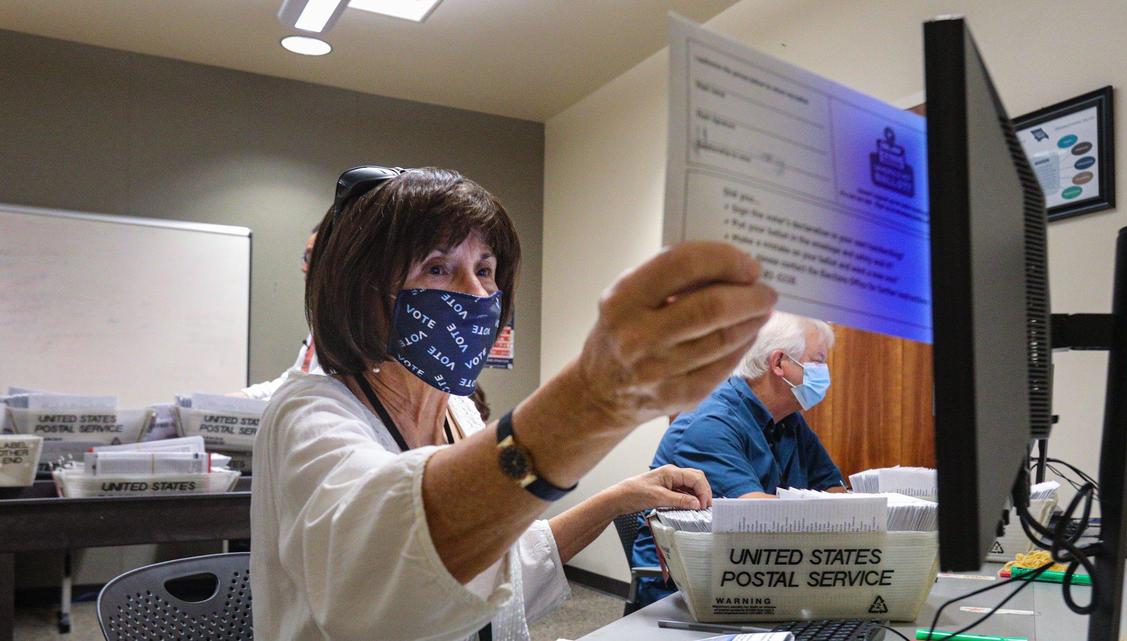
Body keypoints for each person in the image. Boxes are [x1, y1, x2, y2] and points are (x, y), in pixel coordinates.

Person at [251, 166, 777, 641]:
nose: (478, 294)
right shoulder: (309, 413)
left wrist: (619, 498)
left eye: (485, 270)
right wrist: (593, 398)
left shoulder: (459, 410)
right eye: (437, 269)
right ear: (363, 291)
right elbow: (384, 583)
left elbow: (497, 570)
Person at [629, 311, 845, 605]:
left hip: (757, 574)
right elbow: (756, 514)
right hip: (684, 593)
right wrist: (837, 513)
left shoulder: (789, 420)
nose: (825, 372)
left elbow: (834, 490)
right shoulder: (710, 423)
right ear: (779, 363)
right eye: (818, 360)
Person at [240, 224, 324, 399]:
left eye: (310, 256)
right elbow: (292, 381)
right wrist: (243, 396)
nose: (303, 267)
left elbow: (309, 390)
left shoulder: (348, 328)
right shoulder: (320, 322)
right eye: (305, 257)